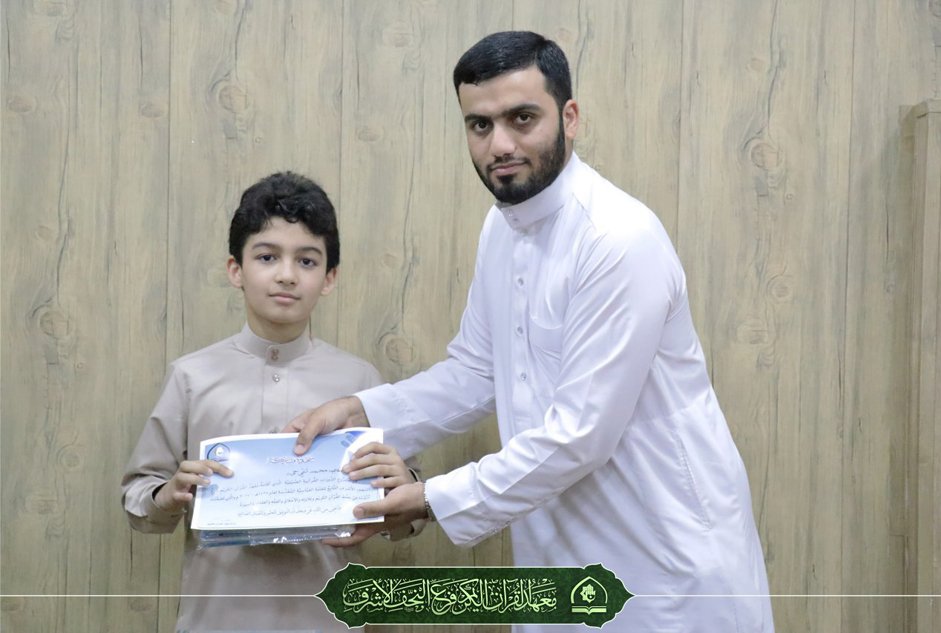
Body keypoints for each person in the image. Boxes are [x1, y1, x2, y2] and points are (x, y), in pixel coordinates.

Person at [290, 32, 775, 632]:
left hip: (666, 567)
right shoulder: (502, 228)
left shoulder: (617, 239)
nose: (500, 145)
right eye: (480, 125)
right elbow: (477, 371)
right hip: (560, 561)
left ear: (569, 118)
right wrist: (359, 410)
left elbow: (580, 436)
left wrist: (429, 499)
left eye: (522, 118)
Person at [121, 172, 419, 631]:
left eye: (307, 260)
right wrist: (170, 493)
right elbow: (138, 500)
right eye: (267, 256)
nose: (286, 274)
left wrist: (402, 489)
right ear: (235, 270)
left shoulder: (360, 381)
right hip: (216, 621)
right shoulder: (190, 377)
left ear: (329, 277)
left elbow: (408, 514)